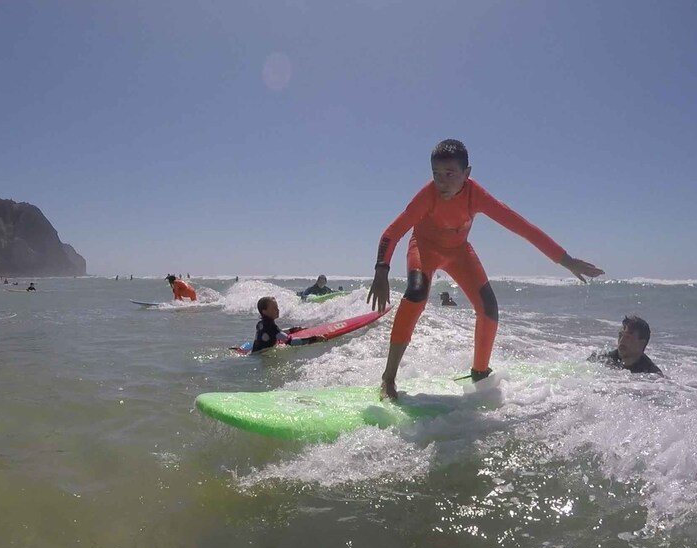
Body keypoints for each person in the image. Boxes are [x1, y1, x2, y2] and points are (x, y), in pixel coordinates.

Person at [367, 139, 604, 399]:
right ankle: (388, 378)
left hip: (459, 253)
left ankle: (480, 372)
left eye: (449, 174)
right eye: (436, 174)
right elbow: (392, 232)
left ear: (467, 174)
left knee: (489, 308)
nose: (441, 182)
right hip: (424, 249)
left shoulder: (476, 196)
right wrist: (381, 271)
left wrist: (566, 260)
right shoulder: (427, 197)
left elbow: (522, 227)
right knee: (416, 294)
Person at [588, 316, 662, 375]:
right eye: (620, 335)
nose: (622, 341)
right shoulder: (601, 359)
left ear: (641, 343)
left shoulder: (651, 374)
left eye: (628, 337)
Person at [252, 296, 326, 353]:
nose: (278, 310)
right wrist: (313, 339)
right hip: (264, 356)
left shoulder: (260, 324)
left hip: (255, 353)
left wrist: (293, 330)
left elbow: (276, 333)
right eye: (274, 308)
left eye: (277, 307)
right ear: (264, 311)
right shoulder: (271, 327)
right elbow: (291, 342)